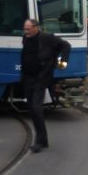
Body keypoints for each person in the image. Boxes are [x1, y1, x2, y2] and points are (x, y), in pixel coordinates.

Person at [19, 18, 71, 153]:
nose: (26, 31)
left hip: (41, 78)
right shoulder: (26, 38)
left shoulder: (47, 38)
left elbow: (66, 46)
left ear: (36, 28)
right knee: (31, 108)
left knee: (36, 108)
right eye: (25, 29)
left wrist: (63, 61)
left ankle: (39, 141)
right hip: (28, 78)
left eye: (28, 29)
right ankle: (43, 140)